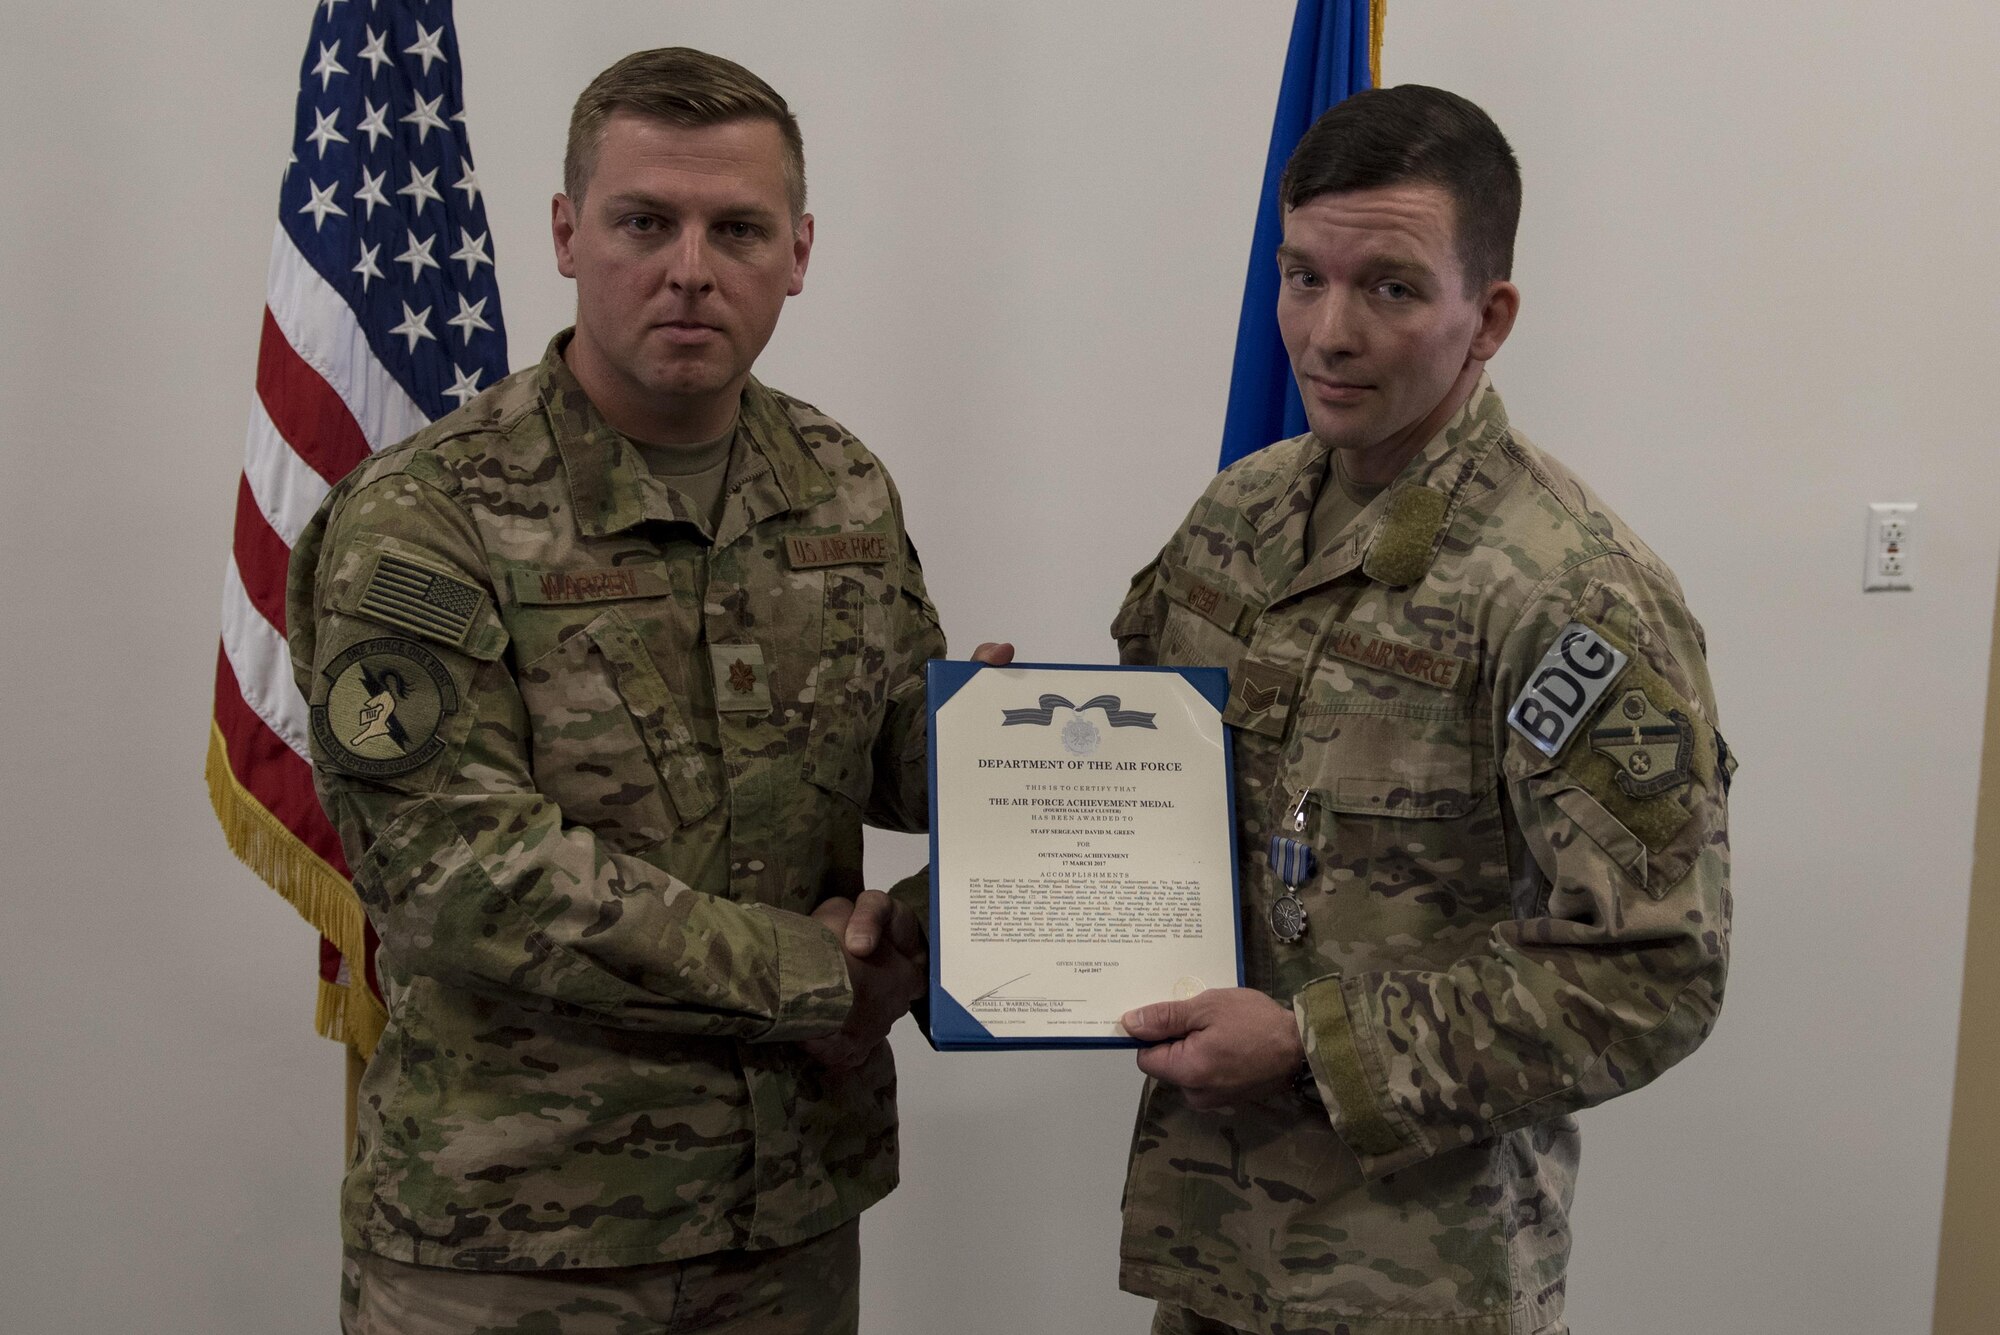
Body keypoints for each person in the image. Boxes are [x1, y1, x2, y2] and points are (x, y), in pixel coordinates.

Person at [289, 47, 1005, 1335]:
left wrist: (1007, 760)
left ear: (796, 251)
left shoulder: (837, 481)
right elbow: (462, 874)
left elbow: (886, 747)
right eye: (644, 221)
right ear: (566, 235)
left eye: (736, 228)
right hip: (517, 1236)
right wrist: (813, 972)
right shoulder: (427, 516)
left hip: (783, 1212)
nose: (690, 266)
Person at [1111, 85, 1734, 1335]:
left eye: (1387, 287)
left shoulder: (1568, 590)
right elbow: (1131, 804)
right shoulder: (1238, 519)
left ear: (1486, 315)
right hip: (1212, 1255)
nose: (1324, 332)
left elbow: (1654, 971)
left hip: (1419, 1279)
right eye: (1300, 277)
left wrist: (1310, 1044)